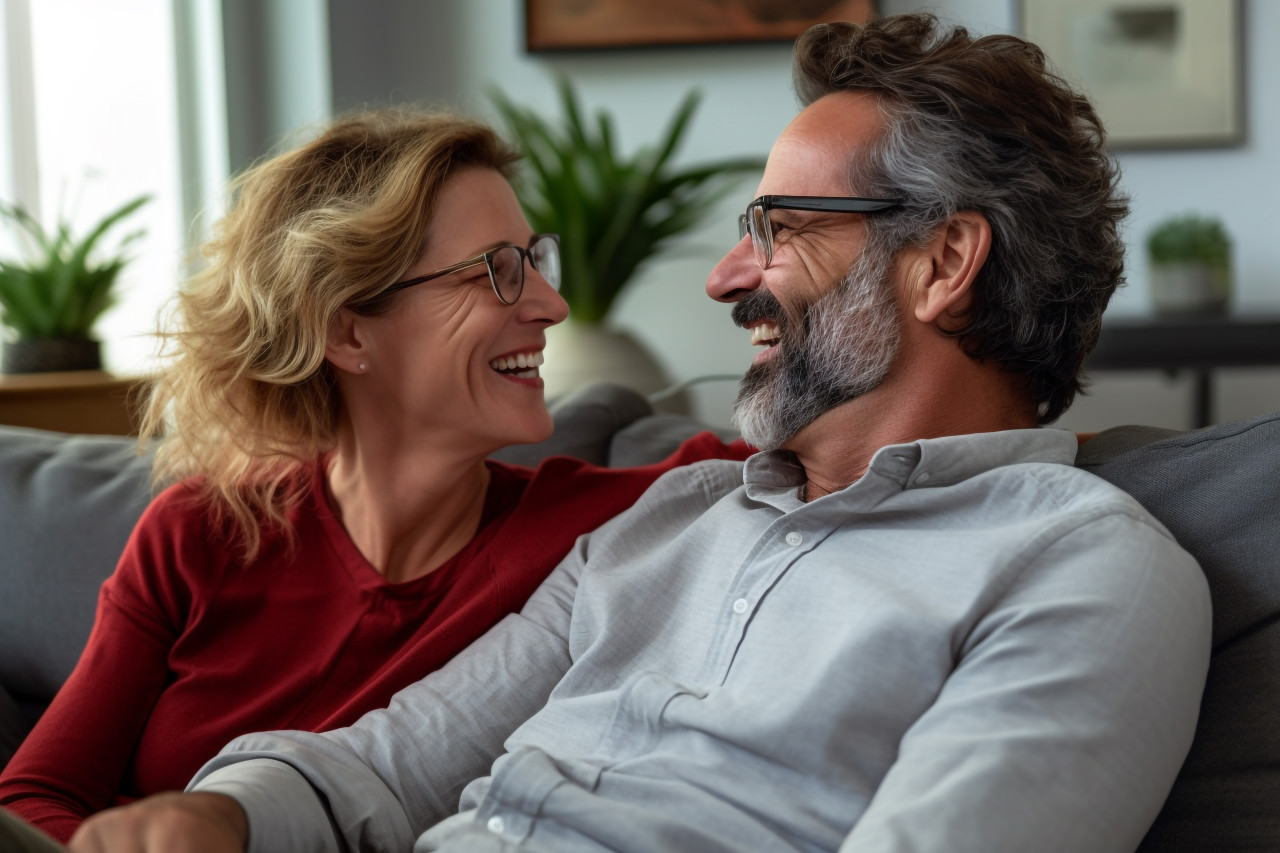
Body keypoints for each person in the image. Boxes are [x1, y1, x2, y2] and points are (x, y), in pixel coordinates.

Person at [23, 13, 1213, 853]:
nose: (723, 277)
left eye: (777, 226)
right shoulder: (674, 517)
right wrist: (218, 812)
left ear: (943, 263)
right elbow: (394, 757)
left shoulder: (1079, 568)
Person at [0, 107, 748, 844]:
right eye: (498, 270)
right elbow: (37, 793)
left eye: (534, 260)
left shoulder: (596, 525)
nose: (551, 305)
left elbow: (816, 451)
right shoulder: (199, 532)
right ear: (348, 331)